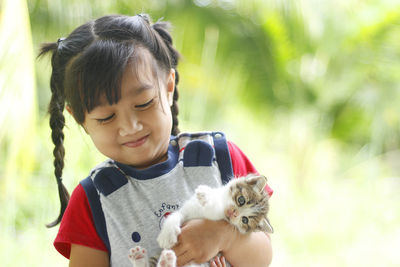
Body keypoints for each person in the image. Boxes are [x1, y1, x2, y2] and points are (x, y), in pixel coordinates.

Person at [39, 14, 273, 267]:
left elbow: (262, 257)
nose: (130, 127)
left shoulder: (219, 156)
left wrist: (225, 237)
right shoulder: (94, 199)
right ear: (81, 119)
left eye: (144, 103)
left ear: (169, 87)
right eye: (106, 117)